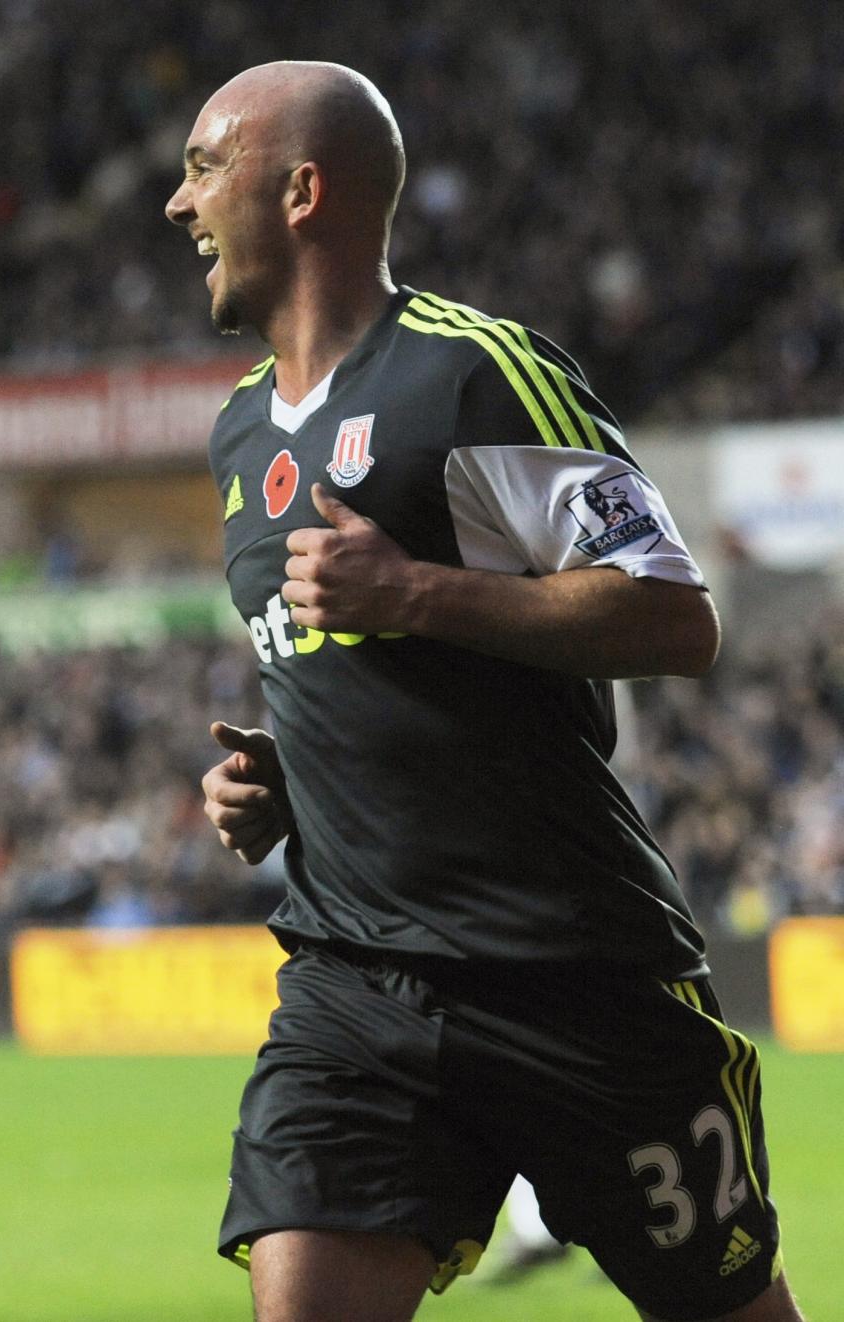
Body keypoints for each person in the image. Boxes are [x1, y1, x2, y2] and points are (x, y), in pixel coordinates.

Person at [167, 61, 804, 1322]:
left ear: (301, 190)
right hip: (357, 983)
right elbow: (371, 675)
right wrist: (286, 778)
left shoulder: (476, 374)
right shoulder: (242, 433)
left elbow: (677, 616)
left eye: (201, 168)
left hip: (578, 979)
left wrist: (412, 592)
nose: (175, 207)